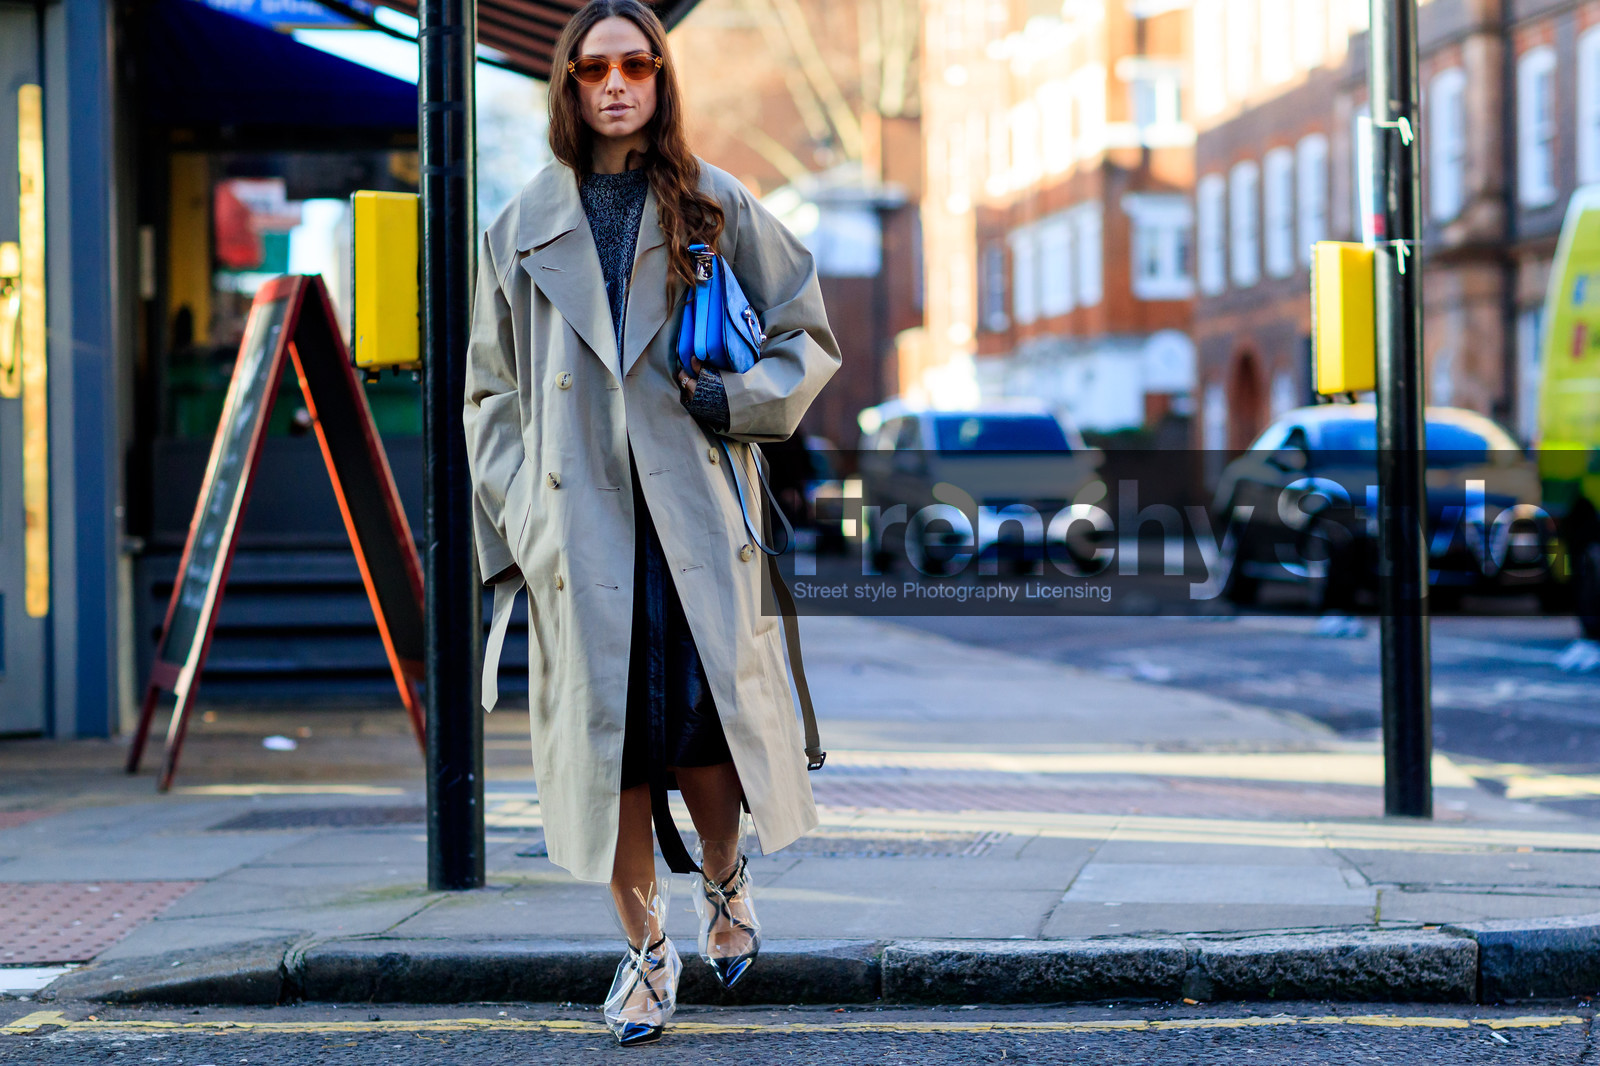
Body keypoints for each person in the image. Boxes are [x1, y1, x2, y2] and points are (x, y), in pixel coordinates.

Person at [463, 0, 840, 1047]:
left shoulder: (714, 203)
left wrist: (734, 404)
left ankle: (724, 879)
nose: (615, 84)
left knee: (703, 732)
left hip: (690, 523)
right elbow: (487, 398)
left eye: (635, 64)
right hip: (578, 531)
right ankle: (642, 952)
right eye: (592, 70)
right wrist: (526, 528)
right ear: (569, 87)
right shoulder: (521, 221)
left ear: (662, 79)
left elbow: (805, 335)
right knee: (611, 752)